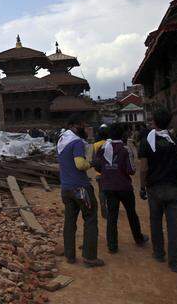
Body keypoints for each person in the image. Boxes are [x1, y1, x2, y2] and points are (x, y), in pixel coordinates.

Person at [138, 108, 177, 272]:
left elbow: (143, 168)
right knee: (173, 225)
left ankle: (159, 253)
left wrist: (142, 186)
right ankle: (174, 262)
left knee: (155, 222)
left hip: (154, 189)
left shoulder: (146, 142)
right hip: (174, 189)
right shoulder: (176, 140)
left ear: (154, 123)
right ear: (169, 122)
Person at [57, 114, 104, 267]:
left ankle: (70, 255)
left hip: (66, 188)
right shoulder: (76, 142)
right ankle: (90, 257)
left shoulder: (62, 140)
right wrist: (92, 163)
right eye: (82, 125)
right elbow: (79, 164)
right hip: (81, 188)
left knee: (70, 222)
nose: (84, 128)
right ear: (74, 125)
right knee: (90, 219)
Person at [94, 123, 148, 253]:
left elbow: (97, 166)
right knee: (131, 213)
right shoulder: (125, 149)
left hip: (108, 187)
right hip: (124, 187)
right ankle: (138, 238)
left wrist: (108, 170)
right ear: (122, 134)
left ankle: (112, 246)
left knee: (112, 215)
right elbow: (132, 170)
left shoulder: (102, 148)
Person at [93, 124, 110, 218]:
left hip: (99, 172)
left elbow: (94, 159)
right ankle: (111, 207)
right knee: (110, 191)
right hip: (111, 172)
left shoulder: (96, 145)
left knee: (101, 191)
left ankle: (103, 207)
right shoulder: (110, 143)